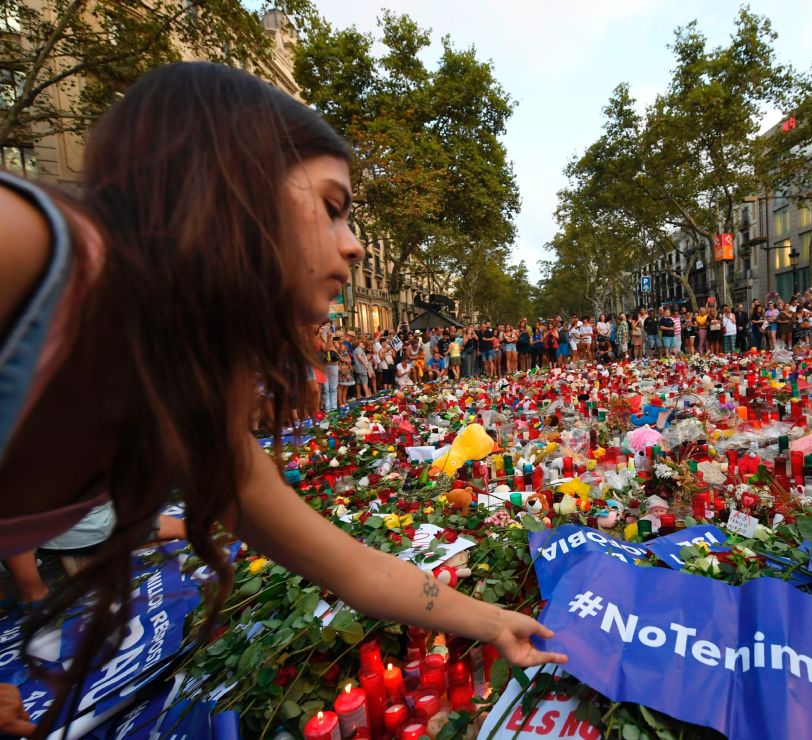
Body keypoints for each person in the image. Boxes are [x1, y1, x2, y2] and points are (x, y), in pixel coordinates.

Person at [0, 63, 563, 733]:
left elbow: (352, 568)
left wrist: (495, 621)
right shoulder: (27, 251)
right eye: (331, 207)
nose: (354, 246)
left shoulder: (190, 403)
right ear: (225, 187)